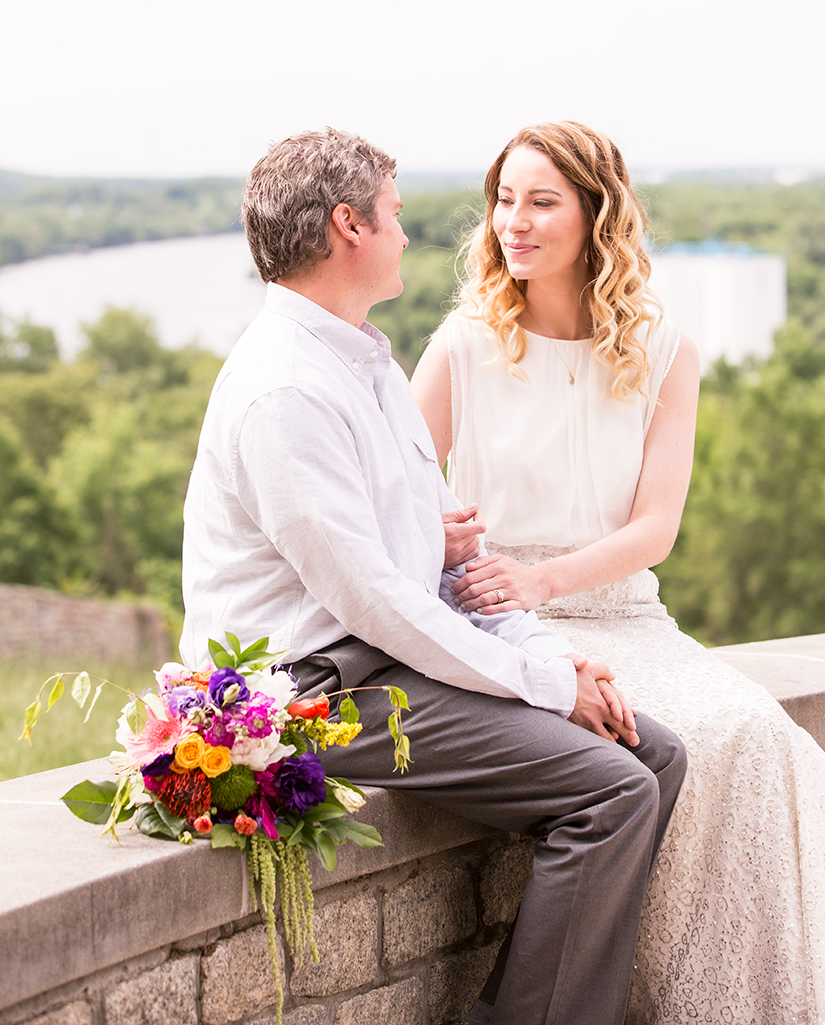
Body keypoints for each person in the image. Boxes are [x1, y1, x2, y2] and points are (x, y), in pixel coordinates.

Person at [179, 128, 687, 1025]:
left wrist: (554, 659)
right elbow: (379, 602)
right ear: (350, 227)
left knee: (655, 752)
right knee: (611, 789)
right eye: (396, 215)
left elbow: (453, 559)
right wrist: (548, 685)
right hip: (309, 693)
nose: (409, 234)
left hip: (378, 661)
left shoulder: (366, 364)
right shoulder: (286, 390)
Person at [412, 121, 825, 1025]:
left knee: (763, 741)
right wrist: (468, 558)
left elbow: (656, 528)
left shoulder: (664, 350)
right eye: (504, 200)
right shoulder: (462, 344)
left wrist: (546, 580)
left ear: (596, 214)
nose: (514, 222)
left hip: (624, 613)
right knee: (661, 741)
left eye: (542, 202)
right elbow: (398, 504)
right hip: (504, 621)